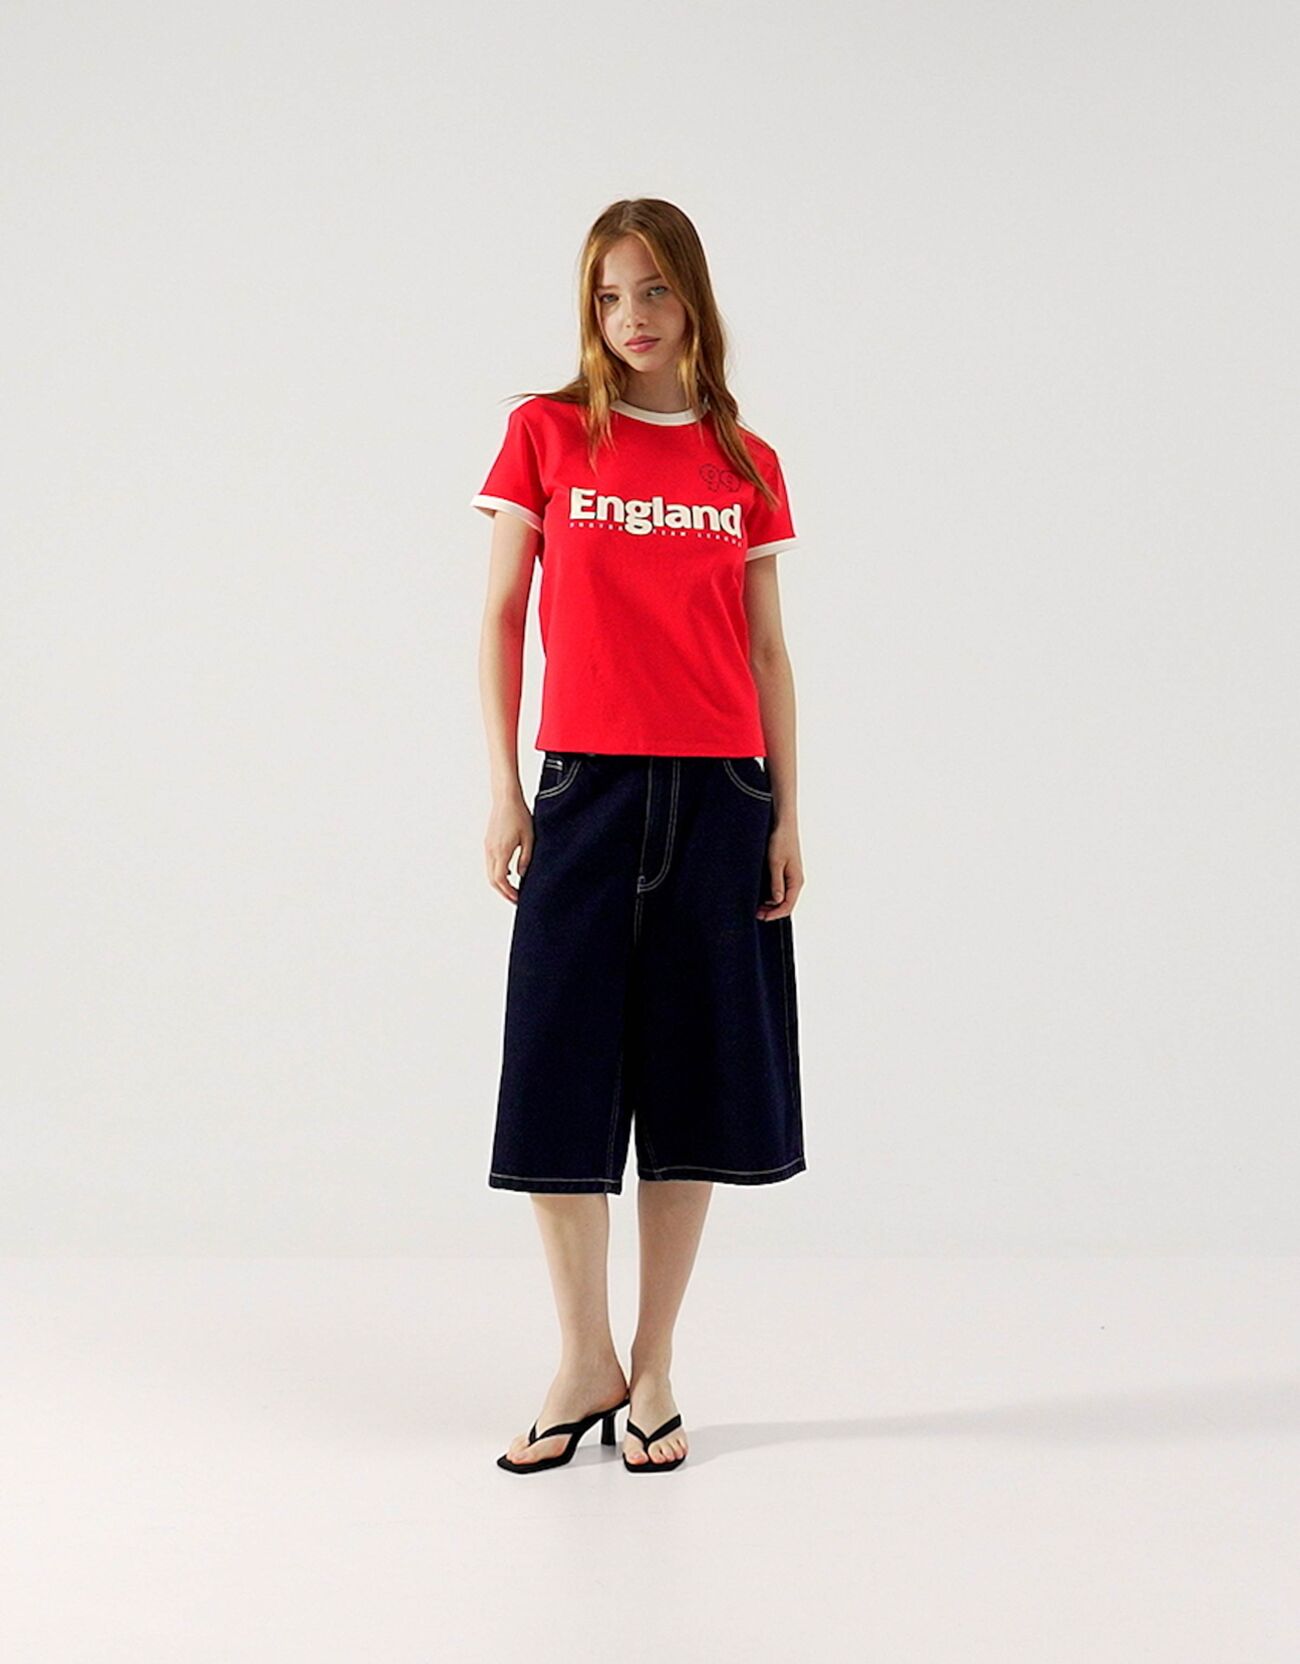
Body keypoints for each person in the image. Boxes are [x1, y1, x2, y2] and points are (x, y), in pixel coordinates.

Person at [473, 198, 806, 1474]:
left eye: (655, 290)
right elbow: (502, 616)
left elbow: (767, 647)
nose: (632, 318)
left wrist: (785, 809)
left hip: (720, 795)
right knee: (558, 1070)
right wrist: (505, 789)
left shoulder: (743, 459)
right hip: (586, 789)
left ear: (692, 298)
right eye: (609, 296)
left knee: (691, 1083)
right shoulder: (548, 434)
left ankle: (655, 1360)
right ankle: (582, 1358)